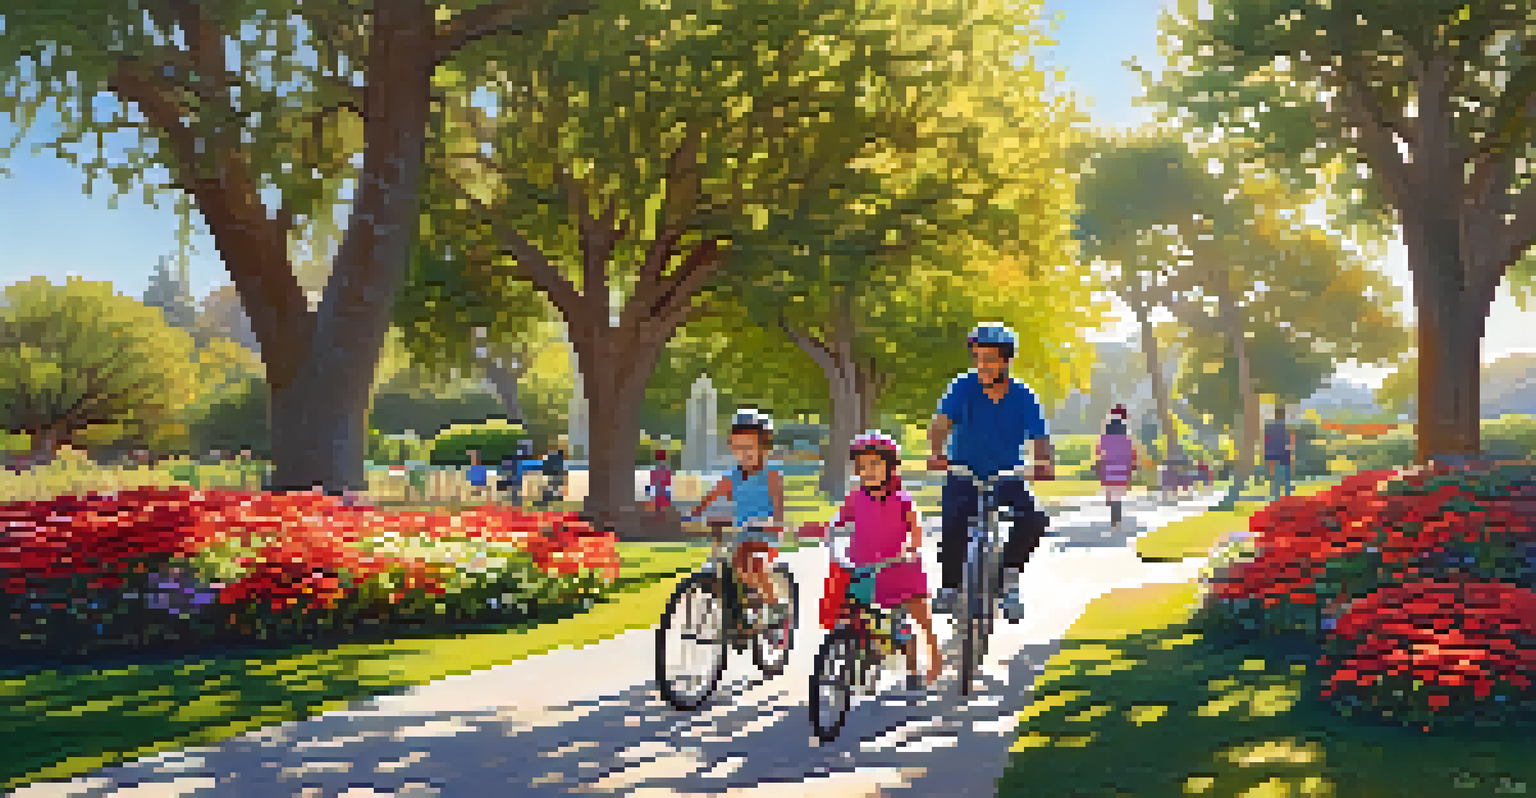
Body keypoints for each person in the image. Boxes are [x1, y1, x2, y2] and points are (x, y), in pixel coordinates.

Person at [926, 323, 1054, 622]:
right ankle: (949, 587)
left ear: (1006, 361)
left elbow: (1039, 438)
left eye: (990, 358)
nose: (982, 364)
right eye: (978, 357)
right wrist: (936, 453)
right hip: (964, 473)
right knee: (952, 524)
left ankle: (1008, 576)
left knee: (1034, 519)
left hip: (1006, 477)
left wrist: (1042, 463)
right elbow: (941, 424)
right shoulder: (963, 386)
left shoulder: (1024, 396)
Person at [812, 432, 942, 689]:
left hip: (899, 568)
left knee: (911, 621)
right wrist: (825, 530)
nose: (867, 471)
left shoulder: (901, 499)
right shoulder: (856, 497)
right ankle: (857, 653)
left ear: (890, 467)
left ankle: (922, 664)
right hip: (862, 566)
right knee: (851, 611)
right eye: (862, 466)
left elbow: (915, 527)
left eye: (874, 465)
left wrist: (912, 547)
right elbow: (838, 520)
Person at [686, 409, 786, 611]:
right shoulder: (733, 475)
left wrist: (775, 524)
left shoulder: (771, 473)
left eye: (749, 446)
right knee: (729, 567)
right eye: (739, 447)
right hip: (742, 533)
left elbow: (778, 504)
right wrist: (695, 513)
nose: (744, 452)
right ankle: (738, 611)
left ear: (764, 447)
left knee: (754, 565)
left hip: (763, 534)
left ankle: (776, 605)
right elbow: (713, 495)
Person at [1095, 406, 1137, 531]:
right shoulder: (1125, 439)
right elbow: (1130, 454)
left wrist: (1099, 464)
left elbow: (1100, 452)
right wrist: (1131, 468)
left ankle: (1114, 511)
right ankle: (1116, 514)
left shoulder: (1105, 438)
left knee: (1111, 491)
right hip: (1121, 467)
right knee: (1117, 493)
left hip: (1108, 467)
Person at [1264, 405, 1297, 501]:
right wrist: (1292, 454)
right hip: (1284, 454)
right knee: (1286, 478)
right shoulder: (1287, 427)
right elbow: (1291, 442)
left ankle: (1275, 498)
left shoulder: (1269, 427)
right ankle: (1287, 497)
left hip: (1272, 455)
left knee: (1275, 479)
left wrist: (1266, 456)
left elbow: (1266, 442)